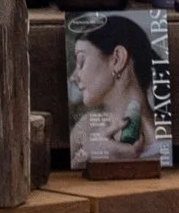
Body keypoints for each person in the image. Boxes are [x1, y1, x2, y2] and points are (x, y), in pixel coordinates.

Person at [69, 12, 164, 165]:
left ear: (117, 59)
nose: (73, 76)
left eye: (81, 61)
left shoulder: (162, 138)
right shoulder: (85, 127)